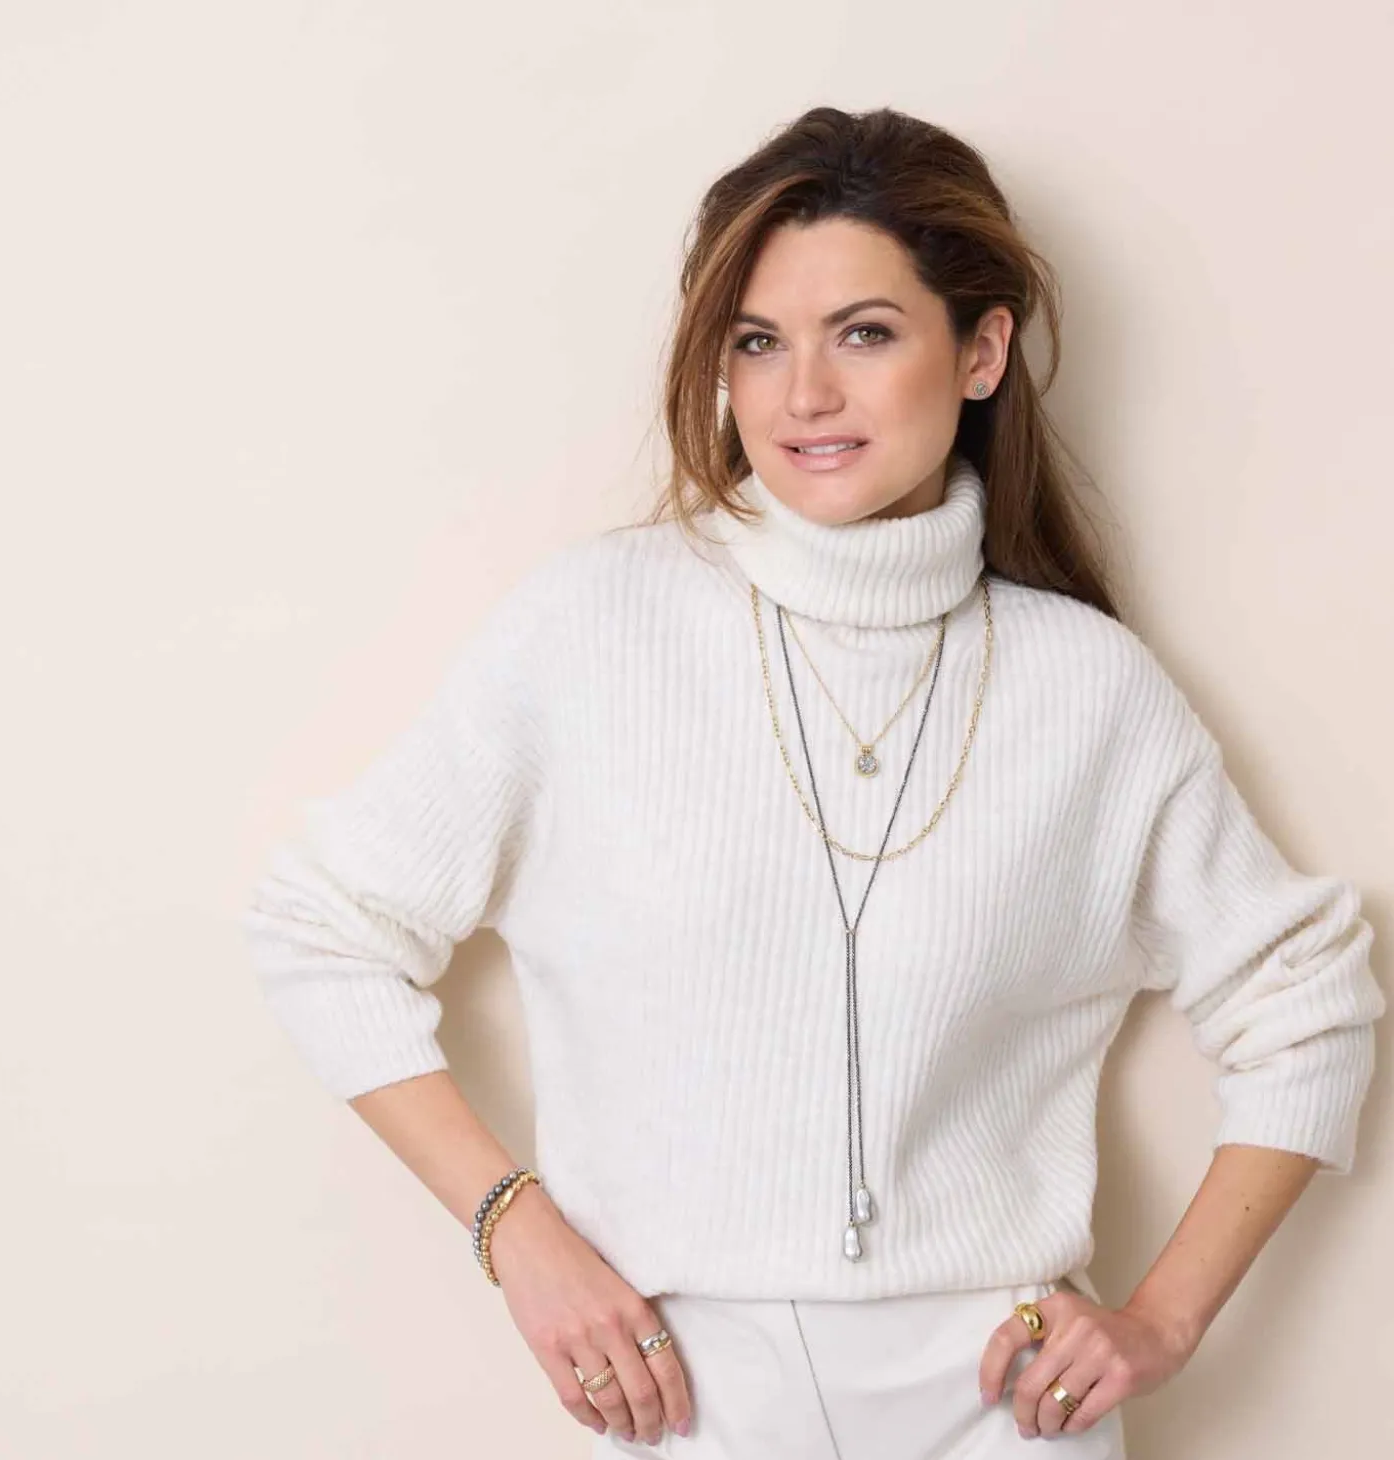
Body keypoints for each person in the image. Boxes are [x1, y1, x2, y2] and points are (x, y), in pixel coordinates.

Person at [241, 106, 1385, 1458]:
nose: (803, 397)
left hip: (1004, 1405)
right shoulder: (590, 630)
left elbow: (1307, 1002)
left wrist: (1165, 1321)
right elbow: (323, 929)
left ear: (982, 352)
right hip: (679, 1397)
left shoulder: (1089, 689)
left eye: (864, 333)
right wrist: (517, 1229)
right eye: (756, 342)